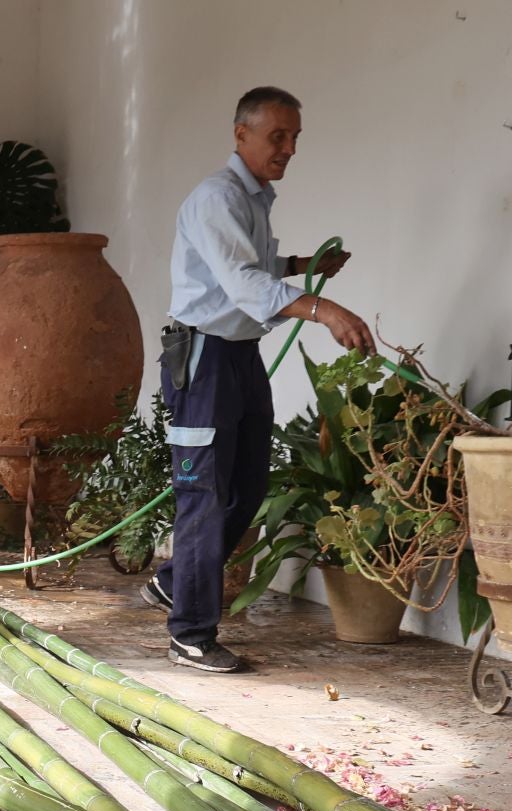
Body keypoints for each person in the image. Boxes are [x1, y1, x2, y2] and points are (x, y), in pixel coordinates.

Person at [145, 86, 373, 674]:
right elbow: (245, 286)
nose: (289, 148)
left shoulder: (255, 198)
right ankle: (190, 635)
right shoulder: (216, 197)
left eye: (295, 137)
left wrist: (302, 267)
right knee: (204, 496)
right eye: (278, 136)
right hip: (205, 361)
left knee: (246, 486)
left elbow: (249, 265)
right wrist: (327, 311)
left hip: (239, 356)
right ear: (241, 134)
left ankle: (175, 583)